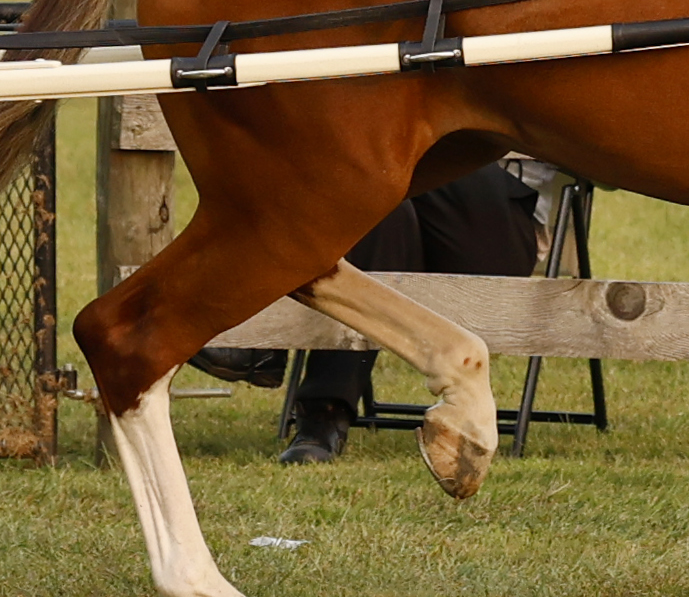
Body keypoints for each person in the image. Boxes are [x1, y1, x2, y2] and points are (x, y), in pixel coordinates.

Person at [194, 161, 548, 464]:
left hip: (497, 220)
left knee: (369, 161)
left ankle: (260, 340)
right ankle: (324, 414)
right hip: (409, 198)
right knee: (370, 182)